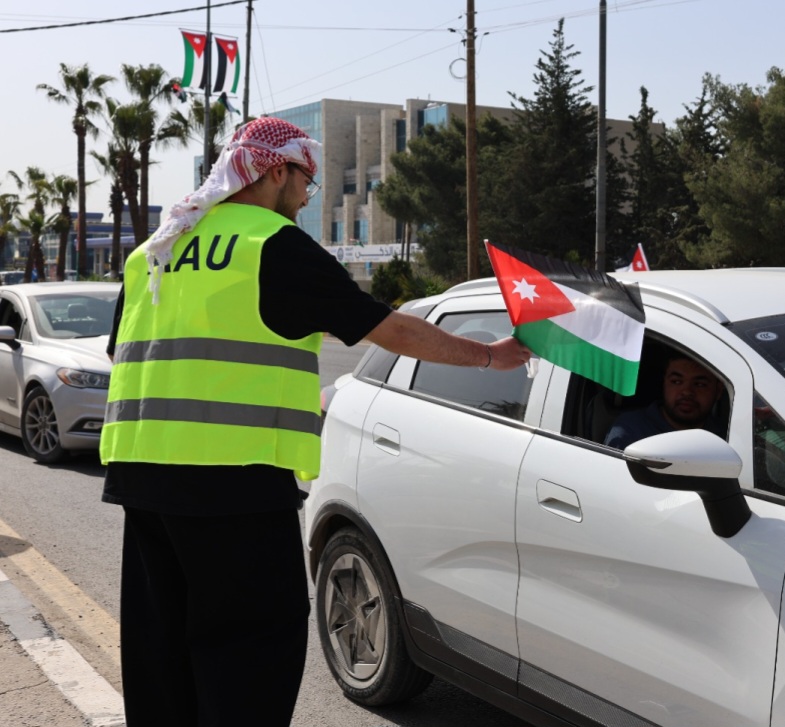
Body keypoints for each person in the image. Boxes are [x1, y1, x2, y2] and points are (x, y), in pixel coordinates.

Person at [98, 117, 531, 727]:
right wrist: (490, 356)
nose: (307, 196)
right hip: (235, 484)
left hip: (143, 481)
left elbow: (124, 354)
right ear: (277, 171)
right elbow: (390, 329)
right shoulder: (271, 244)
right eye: (307, 180)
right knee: (251, 652)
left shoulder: (155, 249)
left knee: (160, 649)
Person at [604, 353, 725, 449]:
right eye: (676, 382)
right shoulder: (630, 430)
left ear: (718, 391)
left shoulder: (726, 439)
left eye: (700, 384)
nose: (687, 391)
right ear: (664, 384)